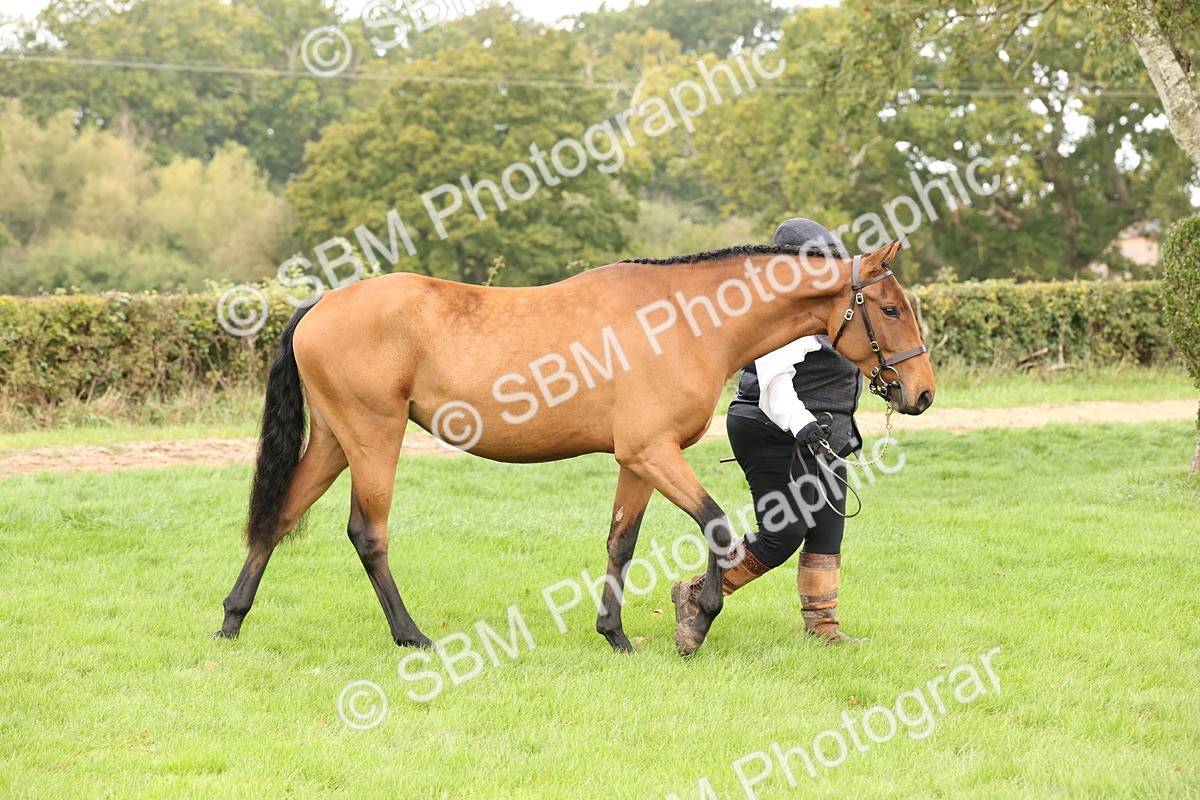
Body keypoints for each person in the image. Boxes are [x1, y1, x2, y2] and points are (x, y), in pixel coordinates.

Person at [671, 218, 868, 644]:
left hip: (820, 433)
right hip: (769, 427)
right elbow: (775, 384)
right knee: (783, 534)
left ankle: (823, 626)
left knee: (827, 524)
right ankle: (695, 593)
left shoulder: (833, 302)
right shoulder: (781, 309)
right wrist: (803, 424)